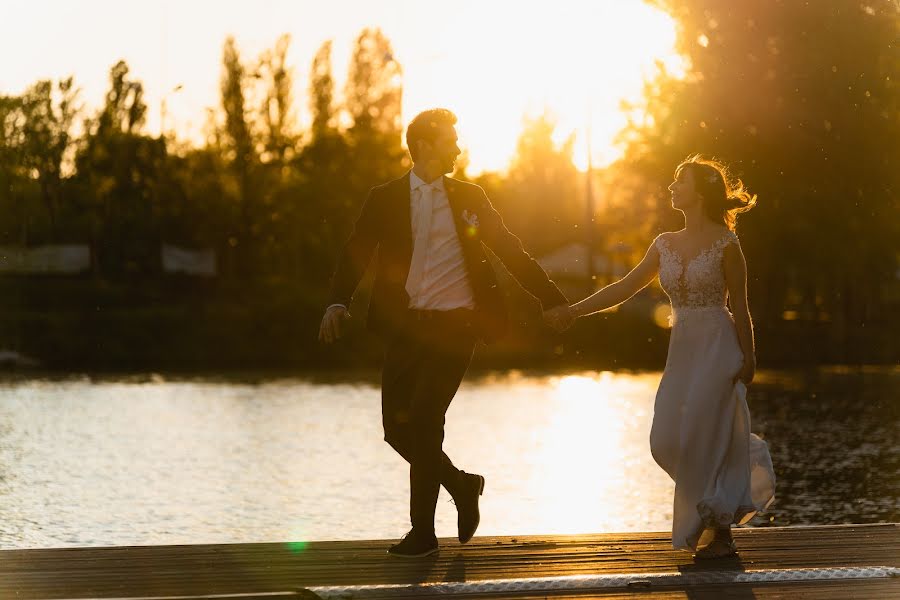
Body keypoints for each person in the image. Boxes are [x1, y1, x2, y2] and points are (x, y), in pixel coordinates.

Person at [319, 108, 570, 557]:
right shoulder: (384, 199)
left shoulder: (470, 197)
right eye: (449, 139)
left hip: (458, 326)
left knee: (424, 419)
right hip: (405, 328)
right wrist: (337, 301)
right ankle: (462, 483)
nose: (457, 146)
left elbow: (509, 249)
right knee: (395, 430)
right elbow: (355, 252)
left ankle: (422, 534)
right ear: (424, 145)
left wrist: (550, 298)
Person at [545, 155, 775, 558]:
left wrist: (749, 358)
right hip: (682, 349)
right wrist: (574, 310)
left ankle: (720, 532)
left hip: (719, 347)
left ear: (699, 192)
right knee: (665, 439)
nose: (671, 187)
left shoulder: (727, 244)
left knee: (707, 434)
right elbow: (623, 287)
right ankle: (714, 508)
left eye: (679, 181)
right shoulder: (663, 244)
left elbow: (740, 305)